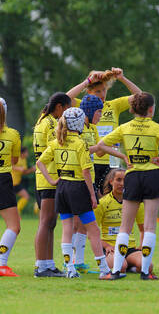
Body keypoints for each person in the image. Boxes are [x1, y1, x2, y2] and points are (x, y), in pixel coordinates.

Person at [96, 92, 159, 280]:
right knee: (150, 226)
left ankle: (114, 272)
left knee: (125, 228)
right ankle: (145, 272)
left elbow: (102, 145)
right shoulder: (156, 127)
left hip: (133, 175)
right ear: (151, 109)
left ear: (133, 109)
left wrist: (123, 156)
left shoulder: (125, 127)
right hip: (152, 174)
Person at [36, 107, 112, 279]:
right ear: (78, 123)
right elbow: (86, 172)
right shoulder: (80, 144)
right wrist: (93, 195)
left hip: (62, 187)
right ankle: (104, 270)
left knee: (66, 229)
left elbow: (40, 162)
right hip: (78, 188)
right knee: (93, 230)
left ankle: (70, 269)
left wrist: (51, 180)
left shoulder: (56, 142)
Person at [67, 67, 142, 195]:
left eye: (104, 90)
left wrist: (122, 78)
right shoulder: (83, 105)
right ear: (89, 92)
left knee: (112, 201)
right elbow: (65, 98)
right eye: (97, 91)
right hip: (90, 161)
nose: (102, 94)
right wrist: (87, 81)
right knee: (94, 202)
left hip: (112, 161)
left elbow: (140, 97)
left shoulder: (114, 105)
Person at [33, 92, 71, 277]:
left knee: (50, 222)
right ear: (60, 107)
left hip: (46, 176)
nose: (67, 113)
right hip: (48, 177)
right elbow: (56, 147)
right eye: (67, 109)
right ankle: (40, 265)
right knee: (46, 221)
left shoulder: (43, 119)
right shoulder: (49, 123)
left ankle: (48, 264)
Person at [95, 168, 155, 275]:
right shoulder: (102, 203)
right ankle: (123, 264)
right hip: (111, 249)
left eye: (125, 180)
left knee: (148, 266)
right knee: (120, 267)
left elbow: (143, 230)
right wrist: (107, 246)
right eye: (118, 180)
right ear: (111, 181)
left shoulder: (136, 203)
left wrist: (141, 247)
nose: (122, 183)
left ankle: (131, 266)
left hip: (130, 248)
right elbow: (92, 234)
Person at [70, 94, 103, 274]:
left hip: (90, 175)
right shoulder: (77, 127)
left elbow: (98, 152)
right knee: (76, 222)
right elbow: (77, 149)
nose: (100, 116)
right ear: (90, 111)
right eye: (99, 112)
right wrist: (100, 147)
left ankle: (79, 261)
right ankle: (73, 261)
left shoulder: (93, 128)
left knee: (84, 221)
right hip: (78, 178)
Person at [0, 98, 21, 276]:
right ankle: (1, 264)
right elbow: (14, 161)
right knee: (13, 226)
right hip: (3, 179)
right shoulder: (13, 134)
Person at [11, 146, 36, 215]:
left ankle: (17, 212)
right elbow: (10, 166)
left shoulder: (24, 160)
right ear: (22, 153)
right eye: (26, 152)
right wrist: (18, 168)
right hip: (10, 182)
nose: (28, 154)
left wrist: (32, 169)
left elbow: (24, 172)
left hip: (16, 183)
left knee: (26, 196)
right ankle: (16, 212)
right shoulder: (16, 158)